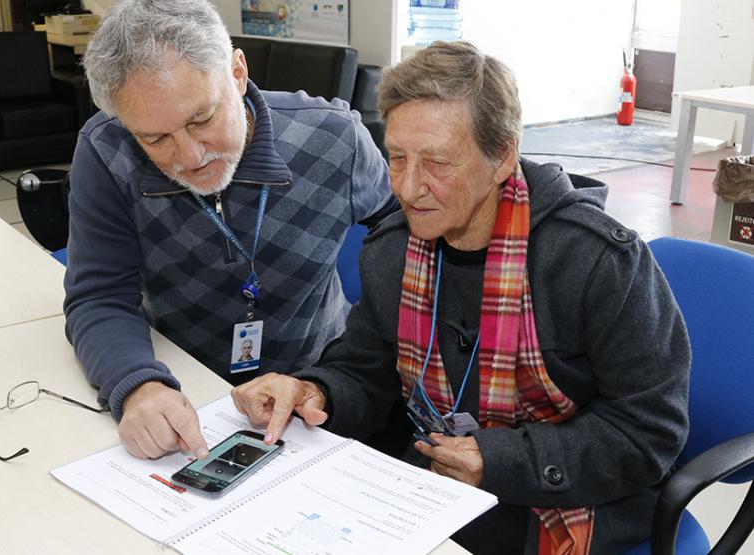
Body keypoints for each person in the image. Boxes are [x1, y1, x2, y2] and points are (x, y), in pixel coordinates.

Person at [231, 41, 690, 554]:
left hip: (570, 491)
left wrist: (499, 461)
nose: (407, 188)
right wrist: (318, 392)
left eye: (438, 163)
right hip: (439, 473)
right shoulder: (391, 252)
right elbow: (364, 372)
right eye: (397, 158)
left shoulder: (596, 262)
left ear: (503, 157)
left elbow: (649, 431)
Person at [64, 0, 395, 462]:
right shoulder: (106, 151)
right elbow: (99, 294)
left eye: (202, 119)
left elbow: (407, 240)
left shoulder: (335, 137)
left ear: (237, 72)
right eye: (155, 139)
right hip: (186, 385)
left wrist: (352, 363)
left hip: (314, 390)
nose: (190, 156)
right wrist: (138, 383)